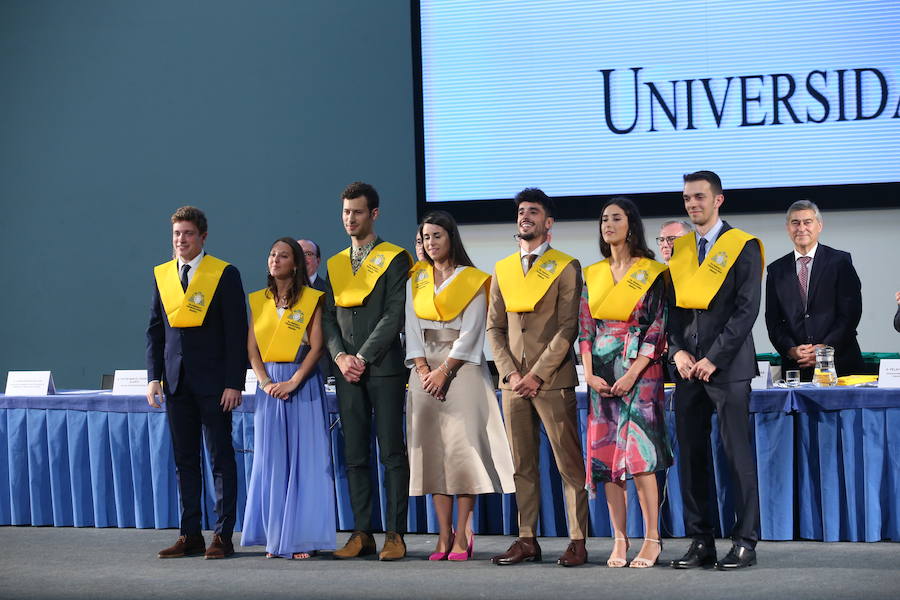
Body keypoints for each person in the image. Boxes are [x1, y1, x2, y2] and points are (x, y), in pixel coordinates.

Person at [486, 188, 589, 567]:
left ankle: (577, 539)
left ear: (549, 223)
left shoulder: (566, 265)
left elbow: (568, 327)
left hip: (552, 381)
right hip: (512, 384)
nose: (525, 216)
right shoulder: (503, 269)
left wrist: (537, 374)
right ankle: (526, 537)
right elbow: (494, 328)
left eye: (533, 212)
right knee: (521, 465)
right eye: (521, 211)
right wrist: (512, 373)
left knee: (568, 464)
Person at [405, 210, 515, 562]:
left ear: (450, 237)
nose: (430, 243)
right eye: (425, 237)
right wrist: (423, 368)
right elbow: (410, 326)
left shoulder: (473, 280)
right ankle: (442, 534)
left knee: (462, 451)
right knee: (433, 453)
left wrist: (444, 371)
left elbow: (473, 331)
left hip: (461, 368)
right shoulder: (416, 279)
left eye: (437, 235)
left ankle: (464, 531)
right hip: (423, 371)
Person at [667, 171, 763, 570]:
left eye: (700, 197)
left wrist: (714, 357)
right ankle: (700, 539)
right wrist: (677, 352)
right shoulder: (682, 248)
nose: (693, 204)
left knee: (736, 455)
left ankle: (745, 540)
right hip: (689, 370)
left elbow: (746, 311)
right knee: (690, 458)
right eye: (688, 198)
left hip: (727, 369)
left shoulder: (741, 245)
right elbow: (672, 310)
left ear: (718, 200)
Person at [146, 206, 248, 559]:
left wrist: (235, 382)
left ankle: (222, 536)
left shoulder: (223, 273)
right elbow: (156, 331)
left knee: (221, 460)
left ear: (202, 236)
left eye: (187, 233)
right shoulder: (163, 275)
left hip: (215, 384)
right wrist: (153, 378)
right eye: (176, 234)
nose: (180, 240)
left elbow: (237, 333)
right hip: (176, 383)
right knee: (184, 461)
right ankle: (189, 534)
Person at [578, 197, 672, 568]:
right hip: (601, 371)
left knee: (640, 457)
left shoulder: (651, 271)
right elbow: (585, 327)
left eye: (616, 218)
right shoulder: (594, 273)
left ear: (631, 224)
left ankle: (652, 539)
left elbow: (658, 326)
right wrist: (590, 373)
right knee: (608, 461)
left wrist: (633, 372)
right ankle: (620, 538)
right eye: (604, 219)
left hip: (641, 371)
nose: (608, 224)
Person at [322, 182, 413, 561]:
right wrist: (342, 357)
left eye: (357, 212)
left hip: (384, 368)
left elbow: (395, 313)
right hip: (347, 373)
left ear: (373, 214)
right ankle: (362, 533)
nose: (350, 218)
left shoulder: (395, 258)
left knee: (391, 452)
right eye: (345, 212)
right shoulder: (335, 263)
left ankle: (395, 533)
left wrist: (361, 356)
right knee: (355, 454)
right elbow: (327, 318)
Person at [241, 237, 336, 559]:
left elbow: (318, 346)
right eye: (272, 255)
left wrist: (294, 380)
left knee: (303, 462)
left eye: (283, 256)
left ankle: (300, 538)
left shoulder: (312, 299)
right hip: (268, 389)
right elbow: (252, 349)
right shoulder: (258, 300)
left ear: (295, 263)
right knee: (271, 462)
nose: (275, 260)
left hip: (302, 385)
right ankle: (274, 536)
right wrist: (266, 381)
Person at [764, 200, 863, 379]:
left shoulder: (840, 262)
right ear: (788, 228)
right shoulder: (776, 270)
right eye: (795, 223)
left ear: (819, 226)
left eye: (807, 222)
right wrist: (791, 349)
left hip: (840, 365)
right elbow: (773, 321)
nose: (801, 228)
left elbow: (850, 314)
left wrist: (825, 348)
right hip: (797, 368)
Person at [298, 239, 332, 379]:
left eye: (308, 254)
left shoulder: (330, 293)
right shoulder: (276, 294)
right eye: (298, 253)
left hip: (321, 370)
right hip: (283, 370)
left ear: (318, 261)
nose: (302, 258)